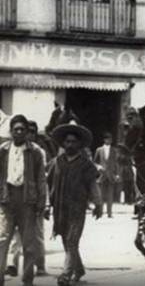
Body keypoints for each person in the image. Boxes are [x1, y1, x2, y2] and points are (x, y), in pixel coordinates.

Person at [48, 122, 103, 286]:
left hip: (77, 209)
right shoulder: (56, 162)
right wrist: (46, 205)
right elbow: (48, 182)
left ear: (79, 144)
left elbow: (93, 185)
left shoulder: (86, 165)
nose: (70, 144)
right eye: (67, 141)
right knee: (67, 242)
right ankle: (78, 269)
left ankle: (65, 275)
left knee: (72, 241)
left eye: (73, 141)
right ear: (63, 144)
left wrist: (98, 204)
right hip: (60, 208)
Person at [0, 114, 48, 286]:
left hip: (27, 199)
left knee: (29, 243)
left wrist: (42, 202)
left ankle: (27, 280)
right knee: (3, 240)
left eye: (22, 129)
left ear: (27, 132)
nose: (19, 132)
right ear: (11, 131)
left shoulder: (35, 152)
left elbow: (41, 179)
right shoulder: (3, 150)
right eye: (16, 129)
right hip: (7, 198)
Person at [94, 132, 120, 218]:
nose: (109, 140)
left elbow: (117, 163)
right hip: (102, 175)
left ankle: (109, 213)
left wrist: (117, 174)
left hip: (111, 175)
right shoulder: (99, 150)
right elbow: (95, 162)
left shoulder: (114, 150)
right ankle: (100, 213)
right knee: (100, 195)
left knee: (110, 195)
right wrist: (98, 167)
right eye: (107, 139)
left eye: (110, 139)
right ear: (104, 140)